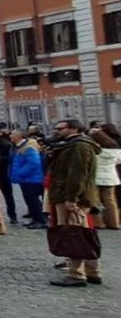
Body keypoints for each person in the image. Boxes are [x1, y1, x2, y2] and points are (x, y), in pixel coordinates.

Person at [47, 120, 102, 286]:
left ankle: (77, 273)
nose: (57, 131)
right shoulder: (70, 145)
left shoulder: (80, 146)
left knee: (74, 233)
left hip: (71, 195)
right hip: (68, 193)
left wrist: (72, 198)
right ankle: (92, 271)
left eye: (61, 128)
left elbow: (77, 175)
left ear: (73, 128)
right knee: (83, 232)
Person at [10, 130, 47, 229]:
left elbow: (33, 164)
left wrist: (19, 173)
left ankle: (40, 220)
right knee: (29, 201)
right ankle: (35, 219)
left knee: (33, 200)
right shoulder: (21, 147)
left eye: (13, 134)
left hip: (31, 179)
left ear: (19, 136)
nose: (11, 136)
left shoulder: (28, 148)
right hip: (27, 179)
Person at [91, 127, 120, 229]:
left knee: (95, 200)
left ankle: (99, 223)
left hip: (96, 177)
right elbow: (118, 161)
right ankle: (114, 223)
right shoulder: (115, 149)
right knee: (111, 201)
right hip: (110, 176)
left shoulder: (94, 150)